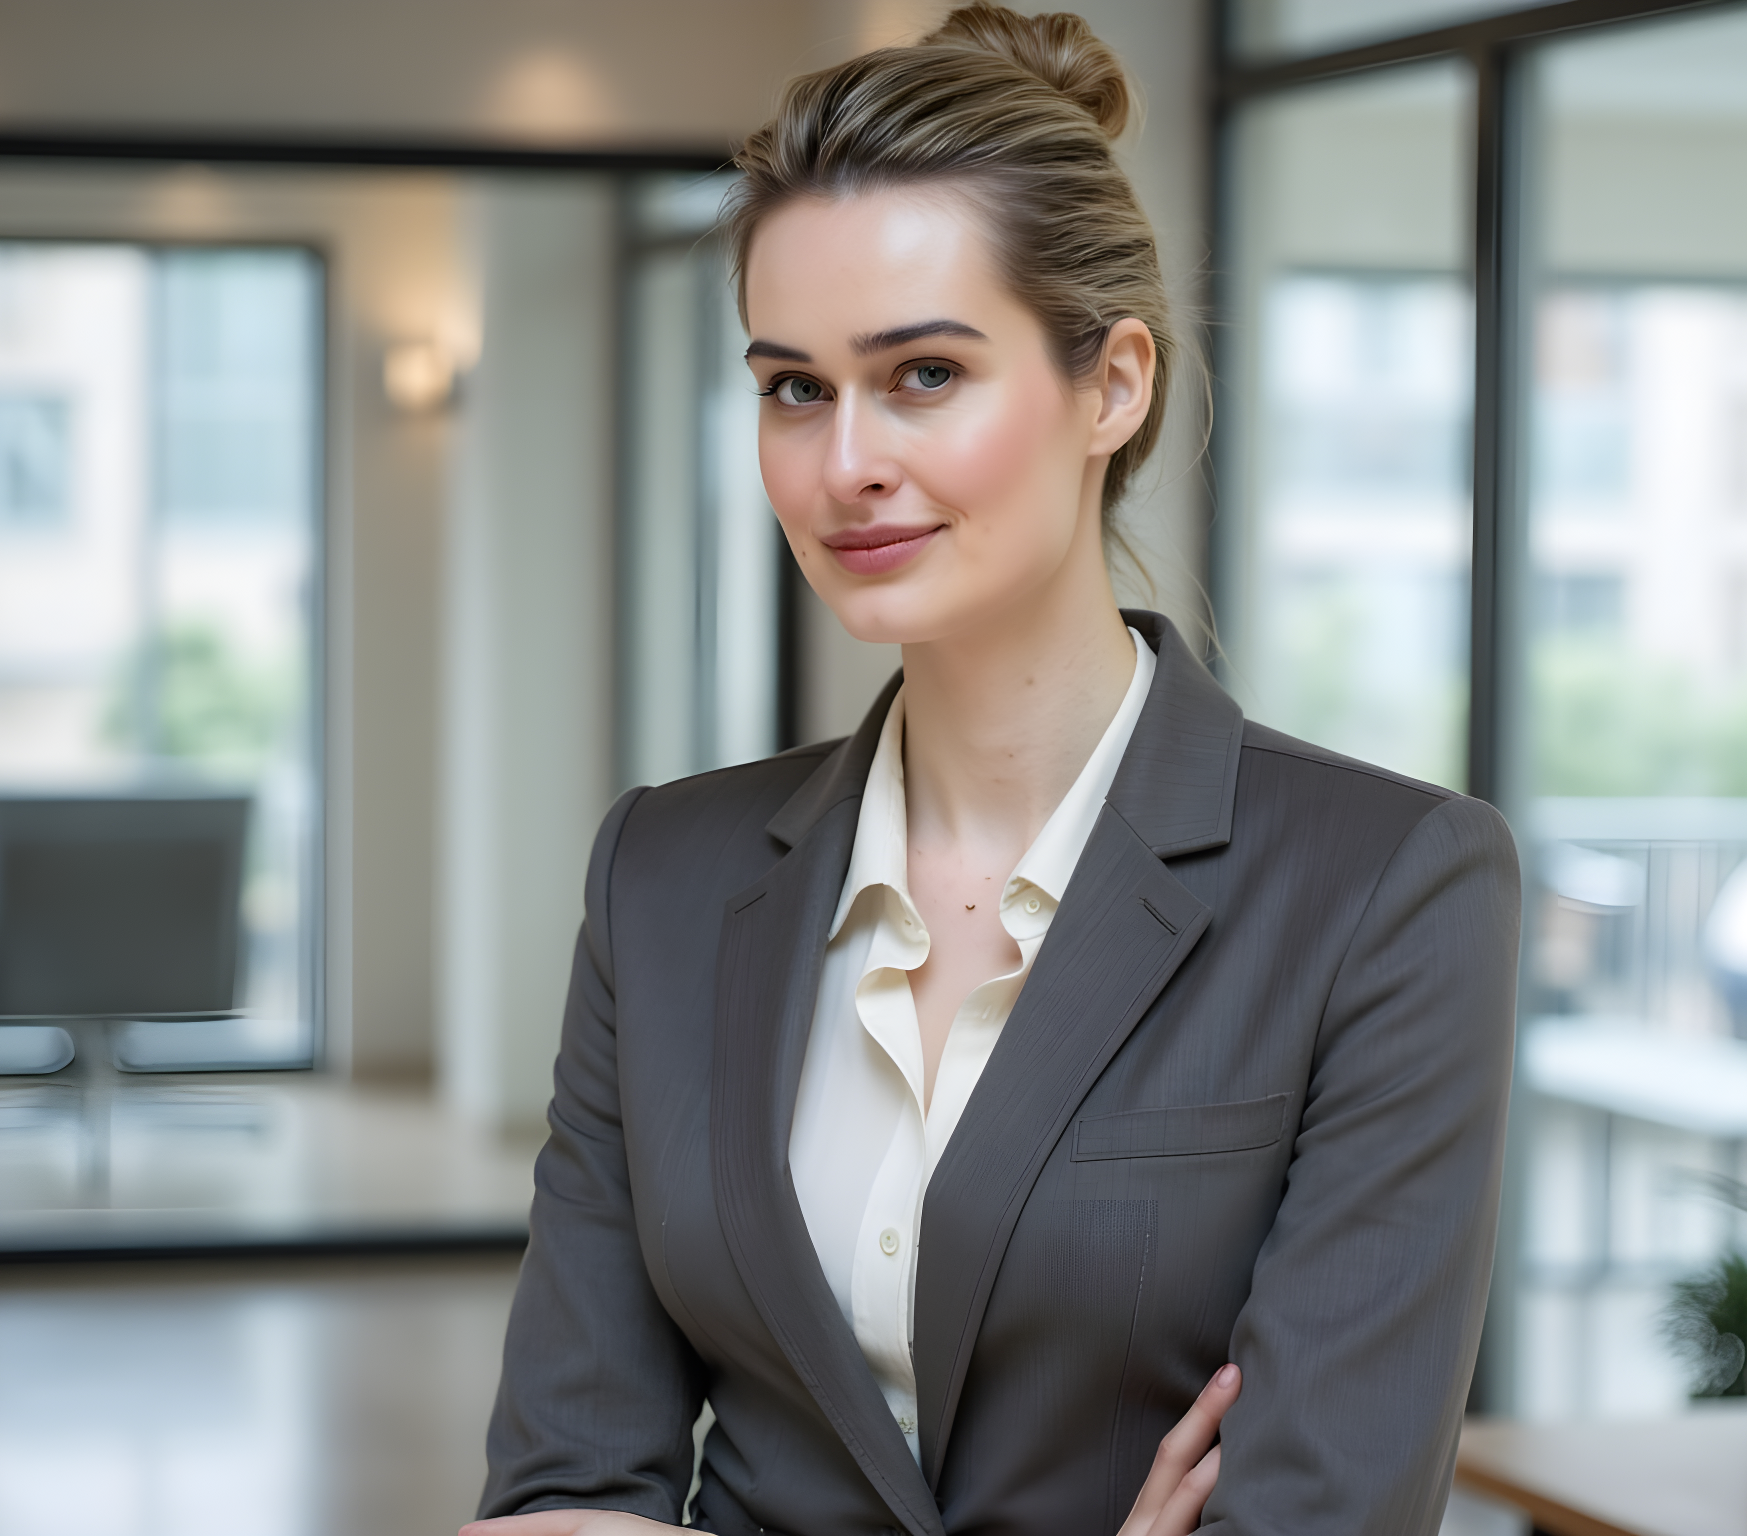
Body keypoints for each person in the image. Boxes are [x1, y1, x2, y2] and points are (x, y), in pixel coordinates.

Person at [464, 7, 1520, 1535]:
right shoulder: (664, 877)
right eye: (792, 388)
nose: (845, 465)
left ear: (1113, 387)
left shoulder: (1386, 891)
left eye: (926, 375)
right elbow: (561, 1489)